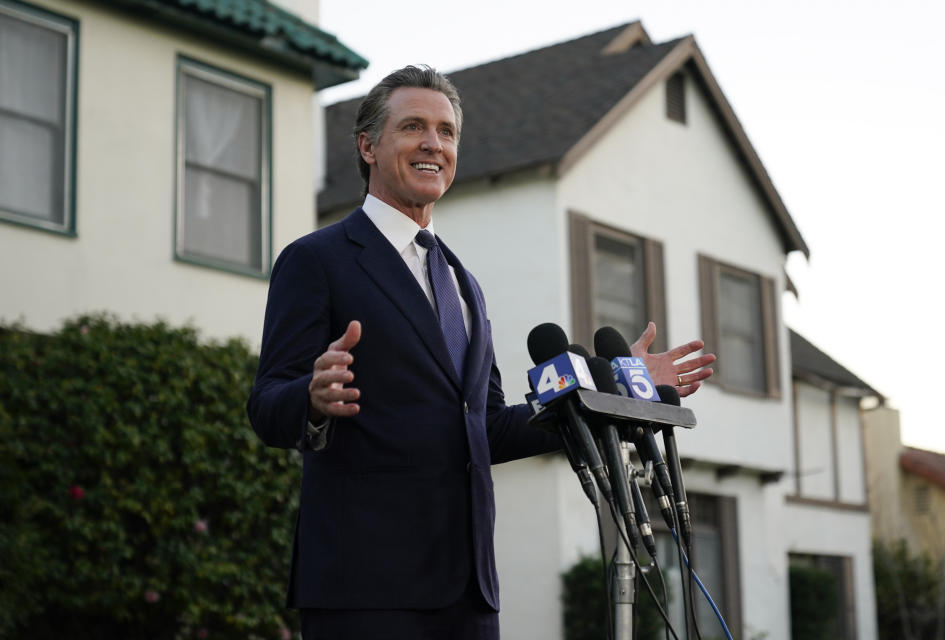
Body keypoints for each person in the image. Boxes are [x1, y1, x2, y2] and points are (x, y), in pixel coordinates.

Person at [247, 65, 715, 640]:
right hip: (366, 587)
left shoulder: (462, 284)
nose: (433, 144)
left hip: (469, 590)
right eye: (413, 126)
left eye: (446, 132)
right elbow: (267, 404)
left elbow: (487, 427)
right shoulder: (316, 259)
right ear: (368, 145)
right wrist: (312, 398)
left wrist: (613, 388)